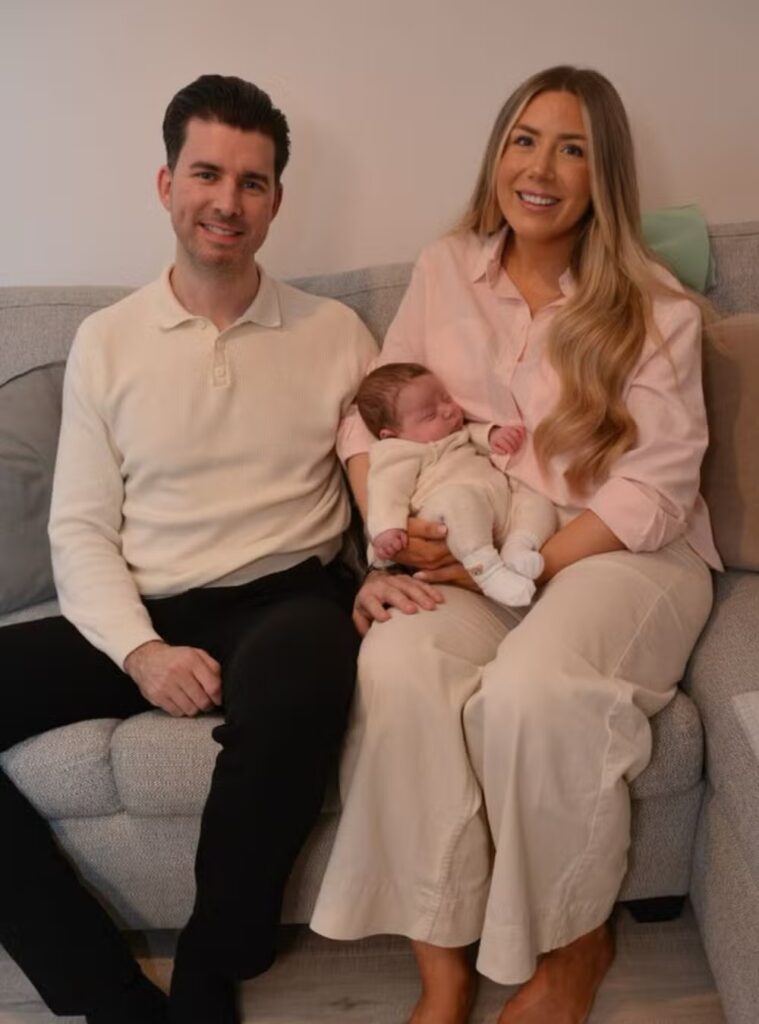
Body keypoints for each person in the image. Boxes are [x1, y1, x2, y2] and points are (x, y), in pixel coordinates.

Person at [311, 65, 722, 1024]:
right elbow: (370, 416)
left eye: (570, 149)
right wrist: (395, 537)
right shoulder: (445, 269)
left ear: (602, 174)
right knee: (398, 667)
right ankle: (443, 962)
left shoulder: (654, 307)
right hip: (475, 550)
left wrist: (513, 566)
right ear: (497, 155)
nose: (538, 169)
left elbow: (654, 491)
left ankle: (574, 944)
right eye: (523, 141)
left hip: (617, 553)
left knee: (531, 694)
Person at [0, 75, 376, 1024]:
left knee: (302, 678)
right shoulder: (107, 340)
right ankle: (106, 995)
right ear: (166, 184)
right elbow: (80, 527)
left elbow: (397, 476)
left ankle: (217, 959)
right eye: (207, 174)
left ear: (277, 200)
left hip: (284, 598)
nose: (227, 202)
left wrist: (394, 571)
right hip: (143, 606)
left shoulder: (336, 334)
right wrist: (142, 650)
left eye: (252, 182)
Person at [356, 362, 556, 607]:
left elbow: (473, 433)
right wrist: (386, 528)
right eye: (430, 415)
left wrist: (493, 436)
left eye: (446, 398)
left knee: (535, 498)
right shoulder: (398, 452)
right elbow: (386, 490)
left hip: (497, 506)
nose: (449, 410)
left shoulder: (454, 432)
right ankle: (487, 570)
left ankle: (518, 547)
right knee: (459, 499)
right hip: (448, 518)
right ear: (391, 435)